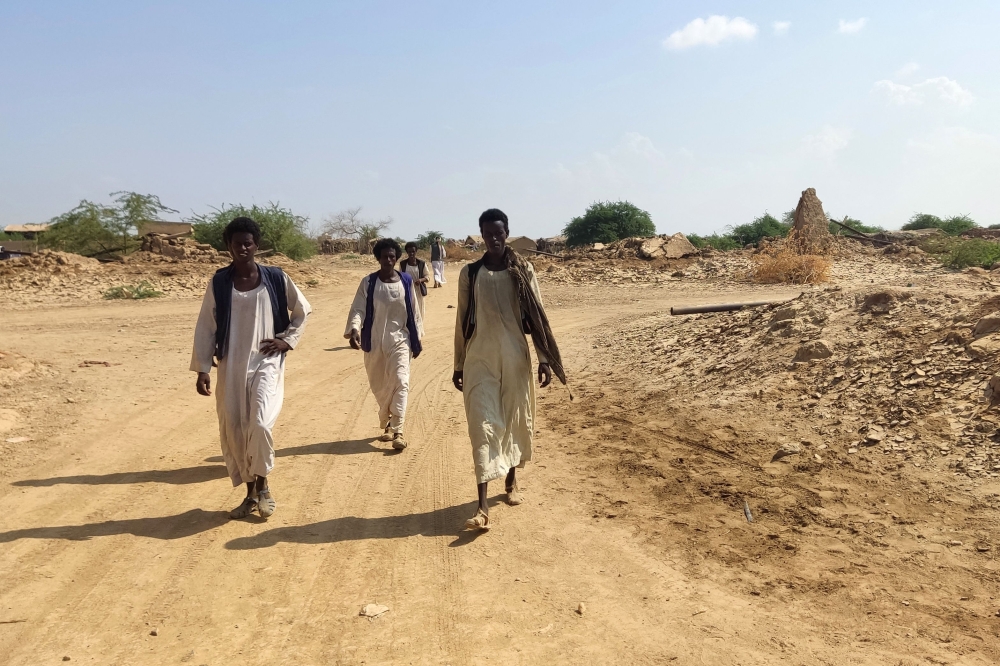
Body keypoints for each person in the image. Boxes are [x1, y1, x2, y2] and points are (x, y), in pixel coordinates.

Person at [453, 208, 567, 531]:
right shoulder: (470, 274)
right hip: (479, 359)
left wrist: (544, 358)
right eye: (488, 234)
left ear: (507, 233)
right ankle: (482, 506)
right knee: (482, 427)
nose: (494, 239)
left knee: (515, 420)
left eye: (499, 233)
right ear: (481, 236)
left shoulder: (523, 269)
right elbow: (461, 321)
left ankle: (512, 480)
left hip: (516, 358)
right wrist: (458, 364)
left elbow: (538, 315)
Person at [191, 216, 311, 520]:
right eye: (237, 244)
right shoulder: (220, 282)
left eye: (248, 243)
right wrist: (203, 368)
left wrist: (287, 340)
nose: (242, 248)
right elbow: (206, 325)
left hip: (266, 362)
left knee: (260, 423)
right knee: (235, 428)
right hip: (231, 363)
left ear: (256, 245)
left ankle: (264, 485)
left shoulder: (275, 277)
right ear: (228, 247)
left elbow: (302, 310)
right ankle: (251, 494)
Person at [346, 238, 423, 450]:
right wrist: (355, 329)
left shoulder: (406, 281)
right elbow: (358, 308)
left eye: (392, 257)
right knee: (380, 386)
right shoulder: (368, 283)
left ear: (396, 258)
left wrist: (416, 338)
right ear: (378, 258)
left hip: (400, 340)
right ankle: (388, 422)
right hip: (374, 342)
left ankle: (399, 431)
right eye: (384, 257)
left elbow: (414, 311)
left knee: (401, 381)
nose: (388, 260)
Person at [399, 241, 429, 336]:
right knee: (409, 310)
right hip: (407, 291)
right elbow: (400, 277)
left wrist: (420, 280)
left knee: (419, 311)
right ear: (407, 252)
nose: (411, 254)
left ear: (416, 252)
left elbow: (427, 277)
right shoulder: (403, 264)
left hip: (418, 292)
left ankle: (418, 331)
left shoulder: (422, 264)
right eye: (409, 252)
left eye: (413, 251)